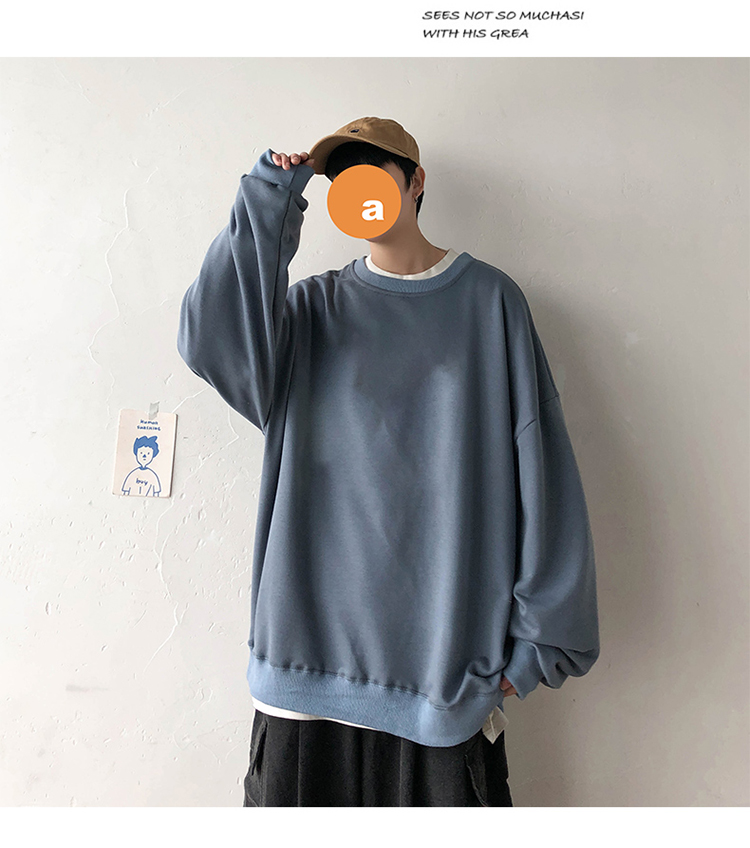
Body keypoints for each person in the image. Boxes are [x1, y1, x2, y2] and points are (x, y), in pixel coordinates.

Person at [177, 117, 600, 806]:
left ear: (416, 181)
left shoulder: (490, 304)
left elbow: (541, 471)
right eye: (344, 178)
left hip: (443, 690)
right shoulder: (310, 312)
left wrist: (539, 644)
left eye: (374, 171)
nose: (359, 188)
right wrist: (270, 196)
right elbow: (212, 340)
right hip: (303, 683)